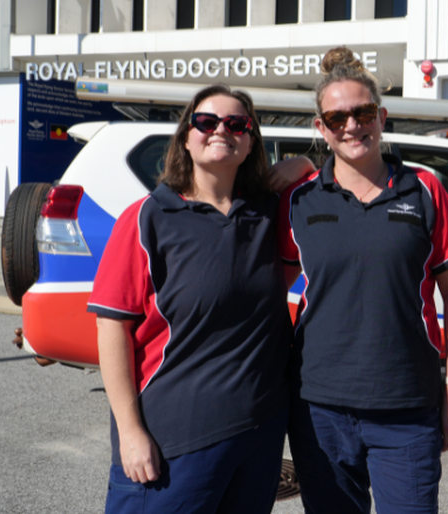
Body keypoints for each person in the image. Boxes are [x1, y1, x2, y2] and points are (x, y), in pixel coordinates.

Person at [87, 84, 311, 513]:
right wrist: (131, 432)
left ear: (250, 142)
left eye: (237, 124)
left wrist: (302, 163)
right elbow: (111, 328)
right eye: (206, 122)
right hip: (175, 441)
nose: (220, 130)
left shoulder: (268, 213)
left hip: (259, 434)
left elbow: (340, 183)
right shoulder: (147, 219)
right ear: (186, 138)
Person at [280, 46, 448, 514]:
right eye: (337, 117)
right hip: (318, 408)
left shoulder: (424, 189)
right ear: (320, 129)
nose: (352, 125)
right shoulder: (298, 199)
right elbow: (266, 291)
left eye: (363, 112)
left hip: (407, 406)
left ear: (381, 116)